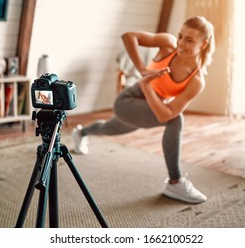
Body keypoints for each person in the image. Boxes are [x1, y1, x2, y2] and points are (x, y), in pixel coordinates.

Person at [72, 16, 215, 204]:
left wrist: (147, 86)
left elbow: (165, 112)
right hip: (128, 100)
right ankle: (175, 181)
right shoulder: (168, 45)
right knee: (176, 120)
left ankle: (81, 132)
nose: (181, 43)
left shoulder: (196, 81)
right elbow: (129, 36)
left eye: (189, 40)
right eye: (180, 36)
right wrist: (142, 70)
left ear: (203, 44)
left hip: (147, 105)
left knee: (110, 128)